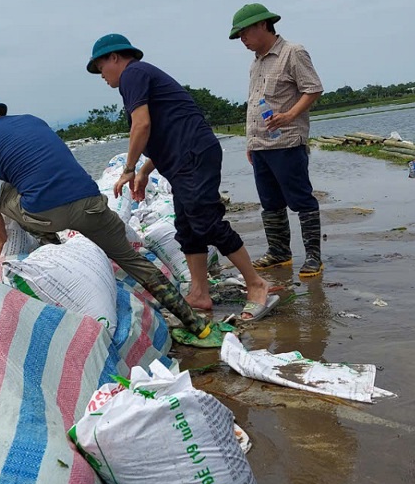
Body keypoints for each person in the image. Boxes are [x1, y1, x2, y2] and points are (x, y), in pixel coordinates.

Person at [0, 94, 218, 345]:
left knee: (6, 195)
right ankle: (197, 325)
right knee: (132, 260)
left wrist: (2, 237)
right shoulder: (32, 120)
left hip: (47, 214)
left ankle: (54, 249)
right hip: (92, 202)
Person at [86, 33, 278, 324]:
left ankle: (256, 284)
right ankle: (200, 293)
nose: (102, 75)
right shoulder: (140, 76)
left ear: (114, 58)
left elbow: (142, 125)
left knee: (206, 221)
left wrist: (128, 169)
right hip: (185, 157)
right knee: (187, 226)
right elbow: (165, 130)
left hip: (193, 155)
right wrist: (144, 171)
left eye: (100, 68)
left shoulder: (133, 74)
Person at [229, 3, 325, 279]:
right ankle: (279, 252)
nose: (243, 41)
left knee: (301, 199)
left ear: (262, 25)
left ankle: (313, 257)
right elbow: (254, 103)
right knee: (270, 202)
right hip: (261, 146)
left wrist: (290, 115)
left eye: (244, 34)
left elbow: (313, 88)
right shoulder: (256, 62)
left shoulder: (292, 53)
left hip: (287, 142)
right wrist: (250, 142)